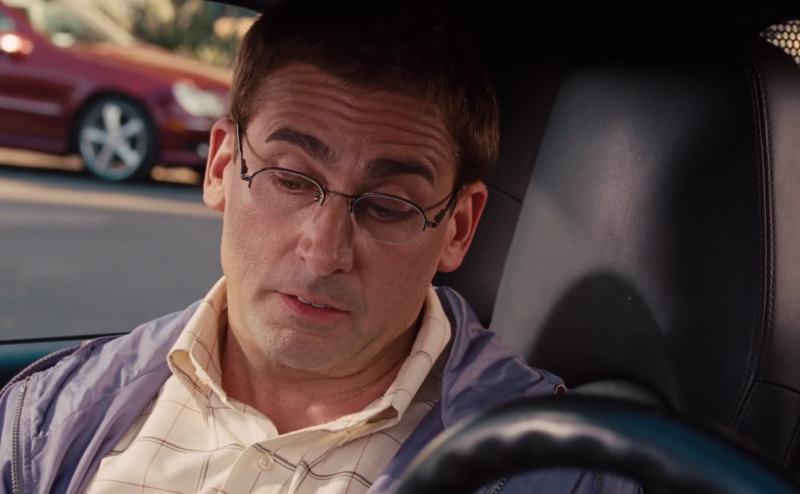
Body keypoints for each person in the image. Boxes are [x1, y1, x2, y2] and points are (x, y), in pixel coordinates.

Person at [0, 1, 639, 493]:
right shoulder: (47, 417)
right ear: (220, 167)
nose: (323, 251)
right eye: (289, 178)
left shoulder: (558, 474)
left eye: (388, 205)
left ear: (459, 227)